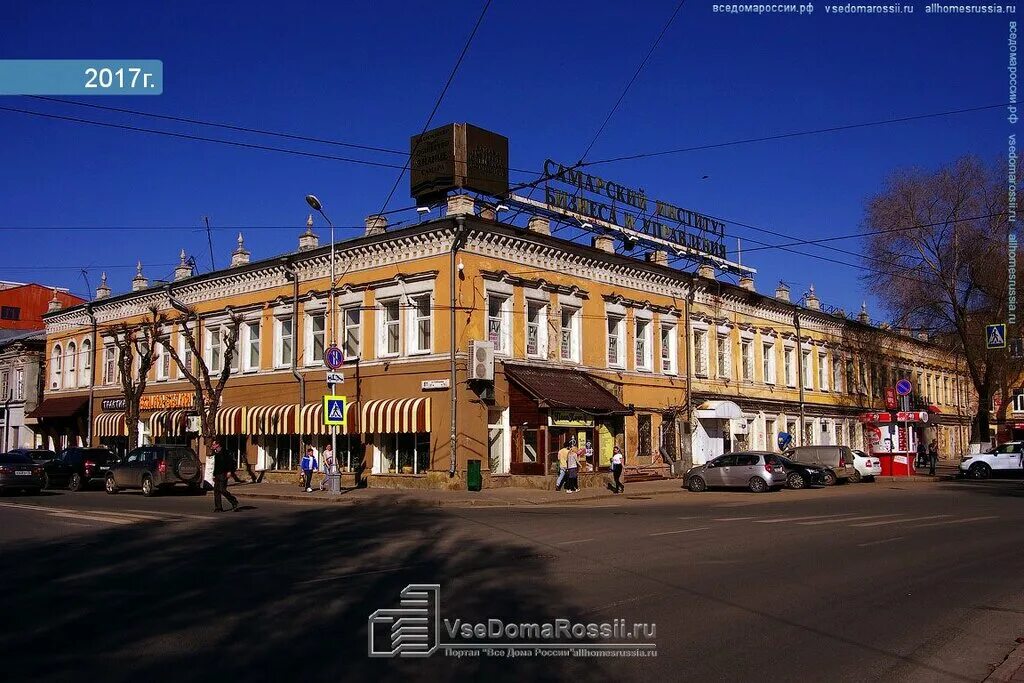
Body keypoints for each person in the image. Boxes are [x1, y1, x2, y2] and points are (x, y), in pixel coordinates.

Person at [211, 440, 239, 513]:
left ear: (218, 445)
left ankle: (233, 501)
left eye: (213, 445)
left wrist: (229, 471)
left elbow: (229, 462)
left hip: (224, 473)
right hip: (217, 474)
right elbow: (216, 466)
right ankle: (218, 508)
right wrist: (214, 475)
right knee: (216, 491)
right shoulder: (216, 453)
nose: (212, 446)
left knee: (222, 490)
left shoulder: (225, 452)